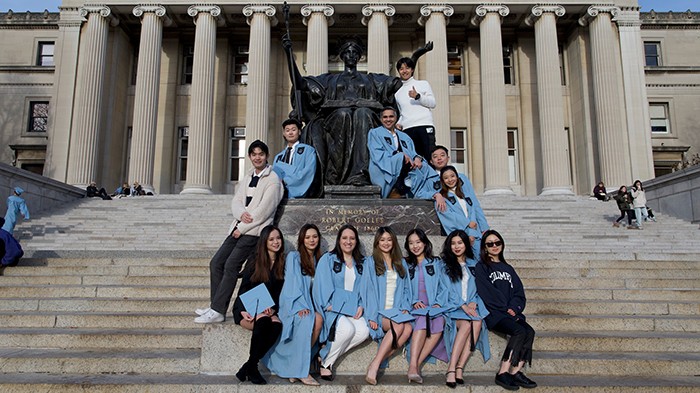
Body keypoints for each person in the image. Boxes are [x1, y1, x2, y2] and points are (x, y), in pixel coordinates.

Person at [282, 34, 402, 187]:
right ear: (342, 56)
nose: (351, 55)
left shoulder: (370, 79)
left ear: (359, 57)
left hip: (365, 118)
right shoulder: (329, 80)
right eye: (347, 52)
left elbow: (397, 83)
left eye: (354, 52)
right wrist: (289, 54)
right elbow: (301, 84)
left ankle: (361, 173)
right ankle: (336, 173)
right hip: (335, 118)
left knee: (362, 113)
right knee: (343, 113)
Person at [195, 140, 284, 323]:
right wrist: (241, 215)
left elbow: (263, 211)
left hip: (254, 232)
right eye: (254, 154)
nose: (257, 157)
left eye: (261, 154)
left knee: (231, 266)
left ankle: (219, 310)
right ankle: (215, 306)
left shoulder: (273, 179)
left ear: (266, 156)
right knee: (216, 263)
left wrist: (241, 227)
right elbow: (236, 201)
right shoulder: (248, 177)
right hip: (238, 228)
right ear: (250, 157)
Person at [475, 230, 537, 391]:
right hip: (495, 314)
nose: (494, 246)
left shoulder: (508, 268)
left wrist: (514, 308)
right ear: (484, 247)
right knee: (518, 331)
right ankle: (503, 372)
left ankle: (516, 371)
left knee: (529, 331)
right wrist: (505, 309)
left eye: (497, 242)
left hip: (510, 313)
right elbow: (486, 292)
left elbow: (518, 293)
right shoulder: (482, 267)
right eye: (490, 244)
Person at [265, 224, 323, 386]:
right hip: (294, 304)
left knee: (319, 320)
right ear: (302, 240)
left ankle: (295, 367)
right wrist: (299, 306)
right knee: (307, 321)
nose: (312, 240)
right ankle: (300, 371)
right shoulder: (294, 257)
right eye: (308, 237)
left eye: (315, 236)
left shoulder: (319, 260)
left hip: (311, 305)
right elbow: (292, 284)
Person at [312, 224, 371, 381]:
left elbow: (366, 289)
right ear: (339, 241)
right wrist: (329, 305)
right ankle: (326, 364)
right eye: (344, 238)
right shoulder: (328, 259)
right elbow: (321, 286)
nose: (348, 241)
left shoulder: (363, 263)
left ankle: (323, 355)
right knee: (346, 329)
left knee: (364, 330)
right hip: (332, 309)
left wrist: (362, 305)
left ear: (356, 241)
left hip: (352, 309)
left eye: (352, 238)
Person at [232, 225, 285, 385]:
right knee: (263, 323)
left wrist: (273, 308)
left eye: (278, 238)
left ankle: (247, 367)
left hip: (269, 308)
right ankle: (253, 368)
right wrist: (242, 310)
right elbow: (244, 288)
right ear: (264, 242)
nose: (276, 242)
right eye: (271, 239)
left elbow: (279, 293)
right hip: (248, 307)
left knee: (276, 325)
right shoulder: (254, 261)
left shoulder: (282, 263)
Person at [364, 226, 413, 385]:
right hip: (380, 312)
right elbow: (368, 290)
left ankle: (375, 362)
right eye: (382, 240)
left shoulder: (401, 263)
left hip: (397, 311)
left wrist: (406, 306)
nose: (386, 243)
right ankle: (375, 366)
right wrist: (371, 315)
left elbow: (407, 289)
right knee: (399, 327)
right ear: (377, 242)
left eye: (389, 239)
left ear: (394, 241)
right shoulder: (371, 262)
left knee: (409, 329)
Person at [441, 230, 490, 388]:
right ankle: (451, 368)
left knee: (477, 322)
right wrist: (462, 305)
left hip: (469, 305)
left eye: (460, 243)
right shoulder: (445, 265)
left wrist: (474, 302)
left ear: (466, 244)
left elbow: (478, 288)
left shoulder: (473, 264)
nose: (456, 246)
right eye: (453, 243)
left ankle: (460, 367)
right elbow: (446, 290)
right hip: (452, 307)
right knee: (468, 324)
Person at [408, 146, 488, 233]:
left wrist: (484, 227)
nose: (439, 158)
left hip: (470, 224)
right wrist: (435, 194)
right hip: (447, 226)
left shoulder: (462, 178)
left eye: (442, 155)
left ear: (448, 158)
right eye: (435, 157)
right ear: (431, 161)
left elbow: (473, 202)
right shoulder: (429, 180)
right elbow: (419, 194)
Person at [404, 228, 449, 384]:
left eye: (418, 242)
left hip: (433, 306)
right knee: (423, 318)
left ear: (424, 243)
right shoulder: (406, 264)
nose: (415, 246)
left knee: (440, 321)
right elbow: (402, 287)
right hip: (414, 306)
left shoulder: (436, 263)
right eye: (411, 243)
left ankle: (414, 364)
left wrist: (438, 302)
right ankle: (413, 367)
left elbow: (444, 286)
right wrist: (413, 300)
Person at [368, 107, 423, 198]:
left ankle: (430, 193)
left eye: (391, 116)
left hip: (405, 167)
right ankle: (396, 189)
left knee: (423, 165)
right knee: (400, 158)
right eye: (385, 117)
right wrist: (399, 155)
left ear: (396, 118)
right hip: (383, 168)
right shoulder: (375, 133)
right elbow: (377, 154)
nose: (388, 120)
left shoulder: (404, 136)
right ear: (381, 119)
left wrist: (417, 158)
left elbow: (412, 152)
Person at [436, 166, 486, 260]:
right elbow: (450, 218)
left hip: (475, 235)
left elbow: (472, 214)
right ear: (442, 181)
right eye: (446, 178)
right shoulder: (442, 199)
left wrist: (472, 233)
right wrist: (467, 224)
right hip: (459, 240)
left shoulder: (464, 194)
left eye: (452, 176)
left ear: (457, 177)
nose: (450, 180)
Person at [395, 52, 437, 159]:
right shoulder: (398, 93)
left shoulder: (423, 84)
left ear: (412, 69)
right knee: (412, 159)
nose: (404, 71)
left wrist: (418, 96)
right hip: (408, 129)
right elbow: (402, 112)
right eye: (401, 69)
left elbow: (432, 103)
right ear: (399, 71)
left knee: (429, 157)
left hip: (424, 125)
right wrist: (399, 123)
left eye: (407, 68)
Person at [272, 118, 318, 199]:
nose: (290, 133)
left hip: (302, 197)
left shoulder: (308, 150)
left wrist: (285, 181)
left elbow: (308, 173)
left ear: (299, 132)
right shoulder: (278, 157)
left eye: (293, 130)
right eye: (287, 130)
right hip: (280, 198)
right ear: (284, 133)